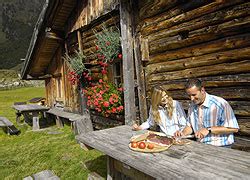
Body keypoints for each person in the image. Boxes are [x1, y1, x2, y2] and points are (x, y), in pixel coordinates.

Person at [174, 78, 239, 146]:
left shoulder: (220, 104)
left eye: (194, 95)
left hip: (221, 147)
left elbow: (234, 128)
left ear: (202, 90)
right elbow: (189, 126)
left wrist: (209, 129)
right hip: (200, 145)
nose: (191, 99)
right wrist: (183, 133)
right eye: (189, 95)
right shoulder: (192, 106)